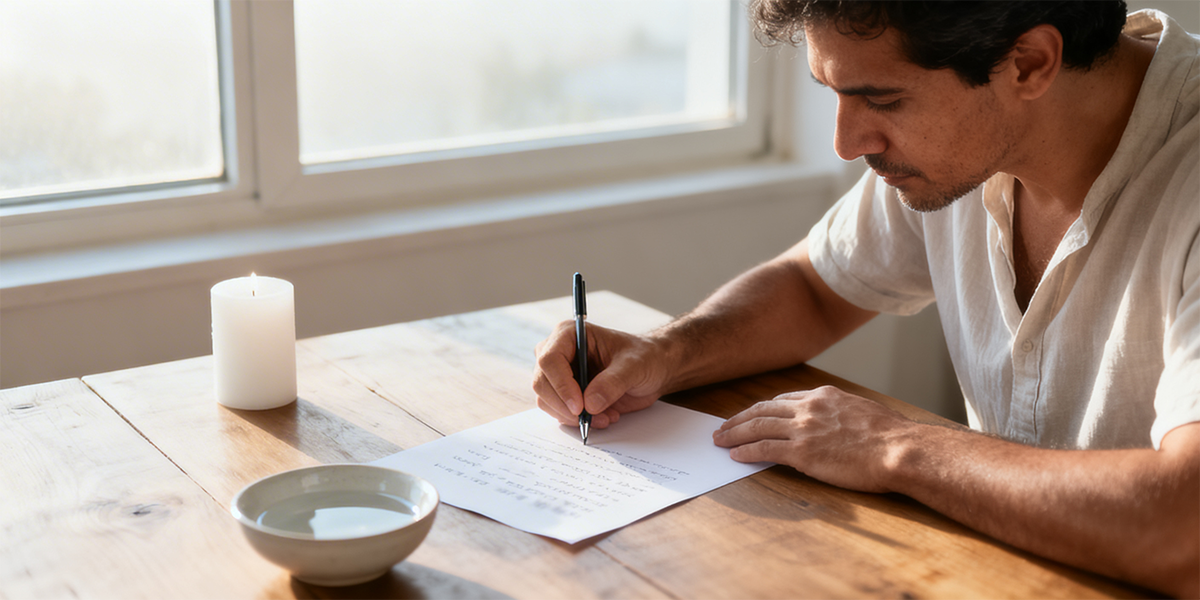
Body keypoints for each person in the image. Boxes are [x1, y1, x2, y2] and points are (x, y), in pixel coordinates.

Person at [532, 1, 1200, 597]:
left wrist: (897, 447)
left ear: (1029, 63)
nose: (847, 143)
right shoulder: (961, 144)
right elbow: (815, 288)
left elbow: (1184, 531)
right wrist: (665, 352)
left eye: (881, 100)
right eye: (833, 92)